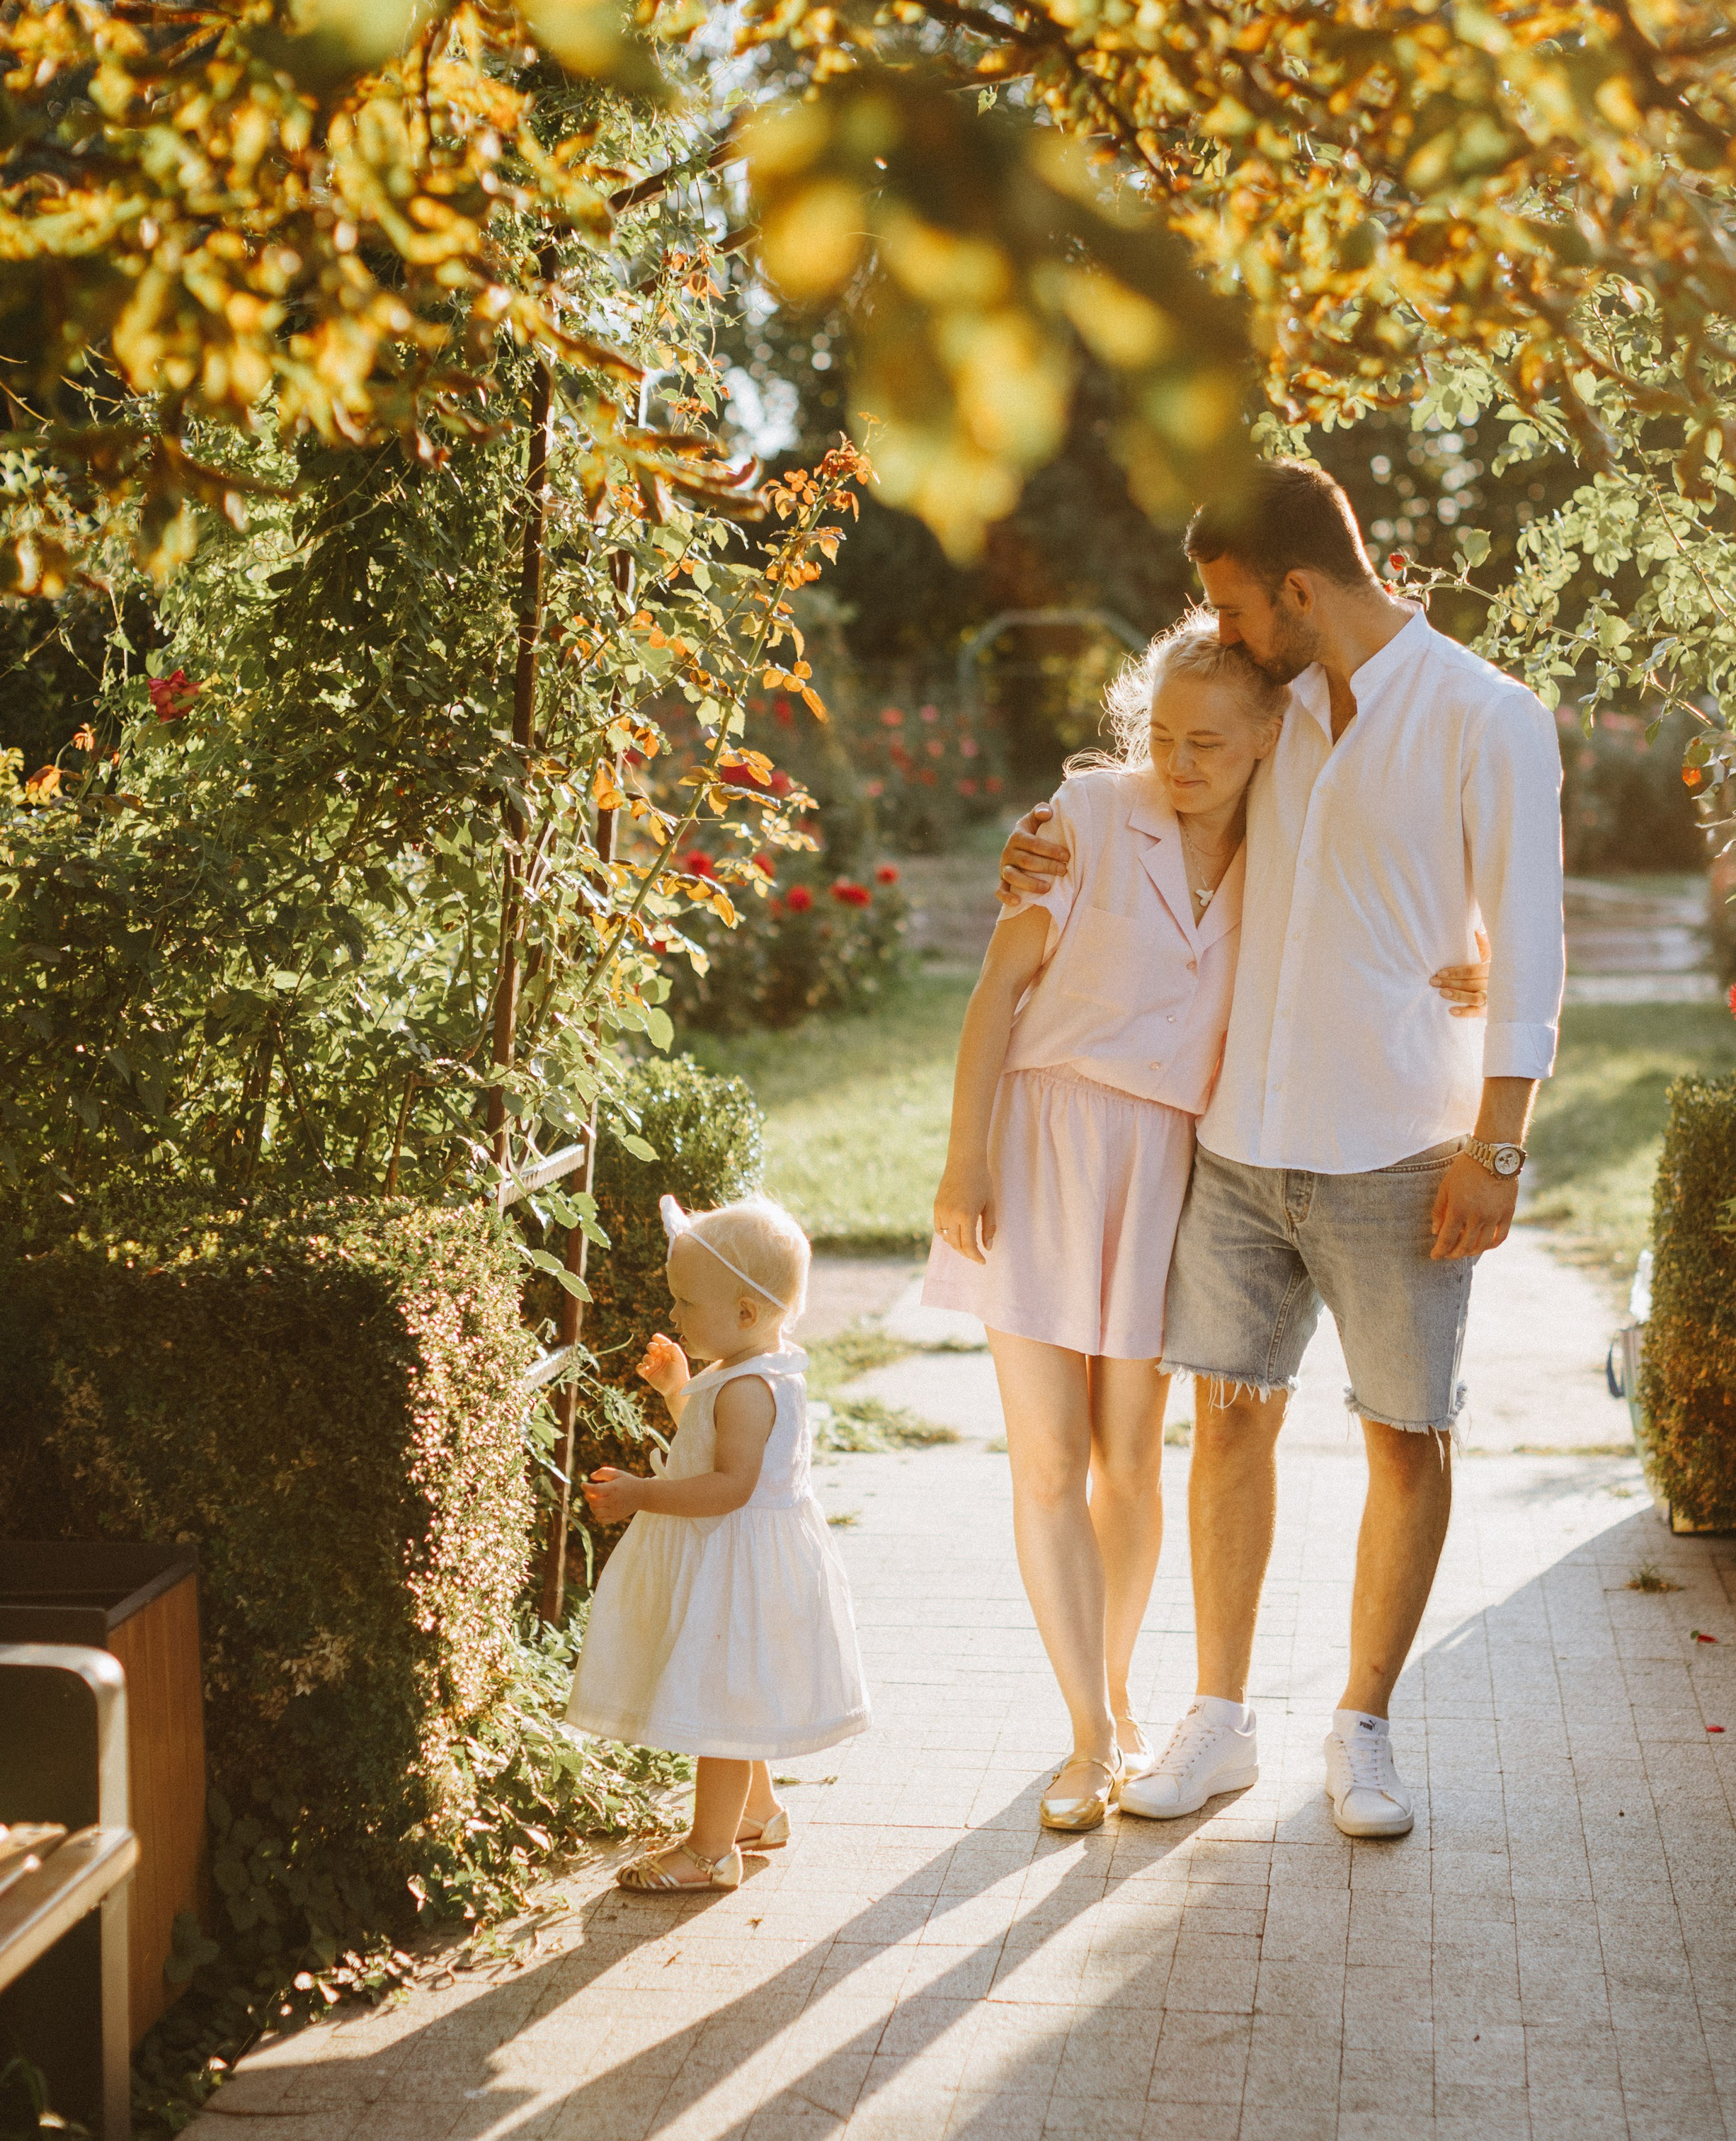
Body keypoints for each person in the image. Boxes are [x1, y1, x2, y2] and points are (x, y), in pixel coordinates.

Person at [1000, 457, 1565, 1841]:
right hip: (1242, 1143)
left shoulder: (1486, 717)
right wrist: (1049, 841)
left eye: (1234, 606)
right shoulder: (1275, 705)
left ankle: (1361, 1727)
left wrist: (1497, 1148)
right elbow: (1165, 781)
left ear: (1299, 589)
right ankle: (1219, 1717)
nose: (1225, 630)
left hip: (1402, 1148)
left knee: (1405, 1436)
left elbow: (1529, 938)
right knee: (1226, 1418)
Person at [929, 622, 1487, 1834]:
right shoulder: (1084, 817)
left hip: (1165, 1168)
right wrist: (964, 1157)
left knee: (1130, 1458)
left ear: (1268, 738)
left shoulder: (1286, 844)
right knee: (1047, 1460)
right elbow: (997, 993)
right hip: (1040, 1145)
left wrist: (1470, 956)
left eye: (1209, 744)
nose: (1181, 763)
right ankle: (1089, 1736)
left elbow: (1399, 896)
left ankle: (1126, 1705)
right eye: (1165, 737)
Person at [566, 1192, 870, 1889]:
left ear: (745, 1313)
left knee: (721, 1707)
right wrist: (679, 1390)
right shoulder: (746, 1371)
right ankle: (757, 1814)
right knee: (736, 1696)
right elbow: (710, 1445)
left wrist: (642, 1494)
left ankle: (710, 1853)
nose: (674, 1316)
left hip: (741, 1569)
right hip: (740, 1561)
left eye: (685, 1303)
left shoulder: (748, 1390)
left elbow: (729, 1485)